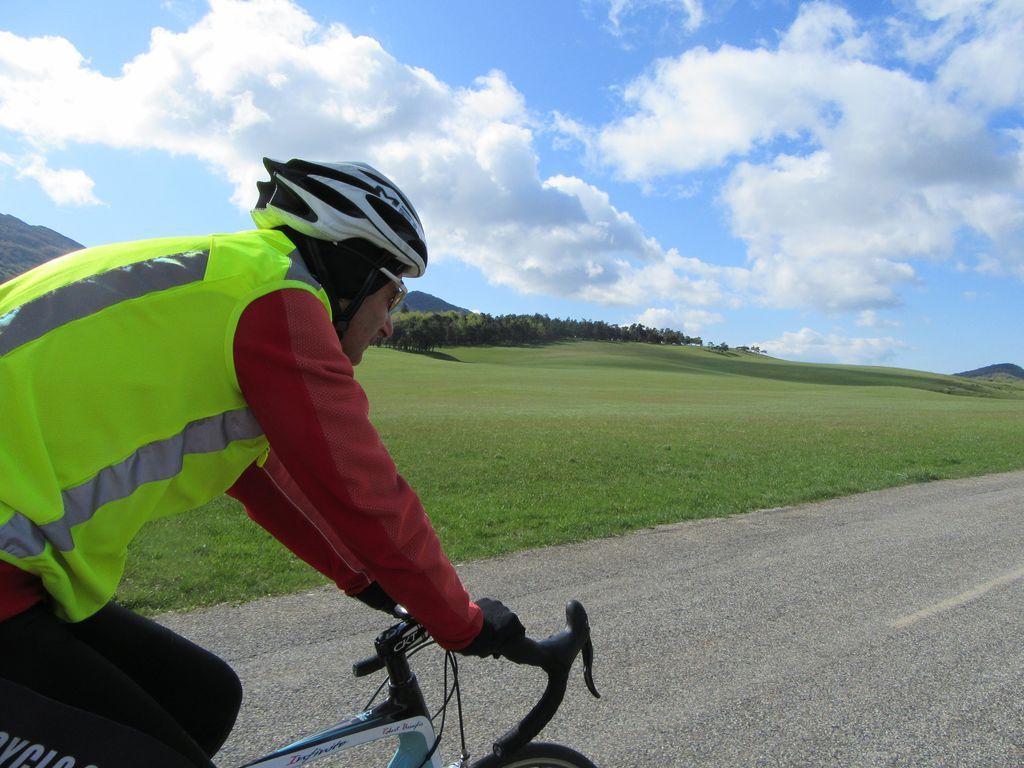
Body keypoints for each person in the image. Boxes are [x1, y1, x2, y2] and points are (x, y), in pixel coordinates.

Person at [0, 159, 525, 766]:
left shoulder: (232, 281)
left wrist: (369, 582)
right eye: (392, 295)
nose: (388, 325)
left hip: (22, 579)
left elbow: (262, 478)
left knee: (202, 698)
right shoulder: (279, 302)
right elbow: (364, 490)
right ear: (353, 271)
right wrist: (461, 622)